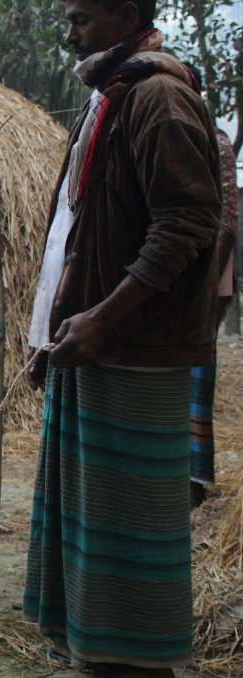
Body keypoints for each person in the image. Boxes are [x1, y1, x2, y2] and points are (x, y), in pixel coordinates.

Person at [22, 1, 222, 675]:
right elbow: (79, 224)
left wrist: (104, 316)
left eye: (82, 19)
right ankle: (94, 649)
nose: (70, 35)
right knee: (89, 520)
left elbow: (187, 224)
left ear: (127, 15)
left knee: (127, 527)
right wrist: (59, 324)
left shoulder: (159, 99)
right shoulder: (113, 97)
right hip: (93, 344)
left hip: (133, 351)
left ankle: (135, 662)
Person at [189, 125, 238, 507]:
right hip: (185, 280)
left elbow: (227, 224)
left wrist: (202, 291)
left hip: (201, 283)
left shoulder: (215, 142)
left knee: (195, 379)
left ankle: (193, 480)